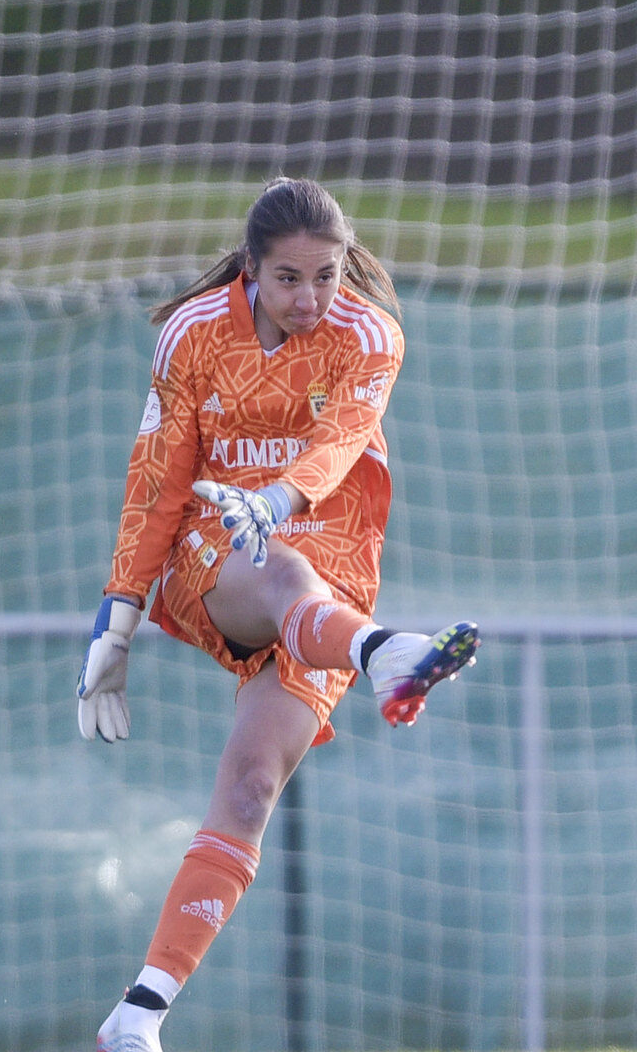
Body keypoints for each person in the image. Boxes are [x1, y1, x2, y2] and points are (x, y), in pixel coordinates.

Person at [74, 177, 480, 1052]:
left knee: (254, 786)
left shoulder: (370, 334)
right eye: (289, 279)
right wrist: (118, 622)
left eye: (327, 277)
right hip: (209, 551)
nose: (311, 298)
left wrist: (285, 494)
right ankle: (385, 656)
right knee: (279, 569)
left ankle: (138, 1013)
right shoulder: (194, 334)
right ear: (251, 270)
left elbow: (339, 445)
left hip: (329, 555)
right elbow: (157, 481)